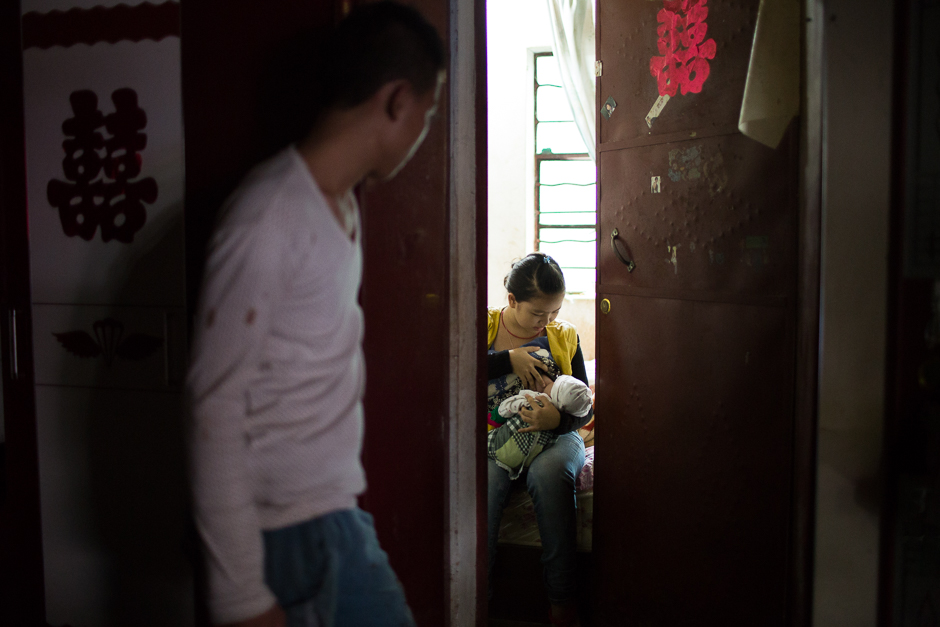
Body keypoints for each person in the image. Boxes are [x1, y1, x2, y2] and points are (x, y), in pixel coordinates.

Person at [185, 4, 445, 626]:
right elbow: (212, 405)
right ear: (396, 101)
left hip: (330, 518)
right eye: (428, 116)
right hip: (291, 537)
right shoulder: (270, 213)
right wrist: (241, 597)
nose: (423, 132)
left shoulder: (338, 208)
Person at [486, 252, 593, 627]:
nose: (546, 322)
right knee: (483, 482)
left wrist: (558, 419)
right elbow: (450, 368)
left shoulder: (564, 336)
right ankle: (475, 599)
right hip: (494, 438)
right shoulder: (481, 326)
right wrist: (508, 359)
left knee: (550, 478)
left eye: (554, 312)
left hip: (557, 437)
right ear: (512, 301)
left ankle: (562, 603)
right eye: (537, 314)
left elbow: (585, 408)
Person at [489, 373, 593, 479]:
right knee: (488, 481)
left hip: (563, 432)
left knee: (549, 471)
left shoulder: (533, 399)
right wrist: (508, 360)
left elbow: (587, 409)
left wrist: (558, 421)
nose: (545, 385)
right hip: (497, 430)